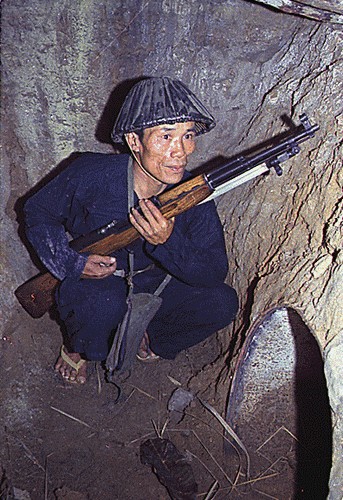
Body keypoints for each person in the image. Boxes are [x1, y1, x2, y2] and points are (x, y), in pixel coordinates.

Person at [24, 77, 238, 384]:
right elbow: (38, 212)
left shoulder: (192, 193)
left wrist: (168, 243)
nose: (180, 151)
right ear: (134, 141)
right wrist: (73, 264)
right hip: (100, 282)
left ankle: (151, 336)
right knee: (99, 303)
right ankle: (79, 350)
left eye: (188, 135)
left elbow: (213, 270)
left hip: (158, 282)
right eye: (165, 137)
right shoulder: (91, 174)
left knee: (222, 302)